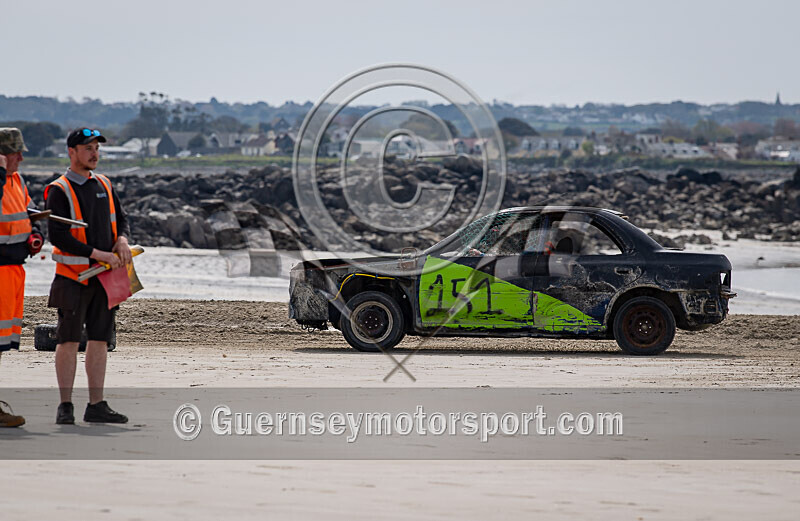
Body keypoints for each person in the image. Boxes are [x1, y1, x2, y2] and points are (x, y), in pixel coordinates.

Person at [45, 128, 132, 425]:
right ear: (72, 152)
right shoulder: (59, 189)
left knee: (99, 339)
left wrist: (121, 241)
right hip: (73, 277)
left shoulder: (105, 184)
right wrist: (99, 254)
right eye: (87, 148)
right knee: (68, 340)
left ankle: (96, 404)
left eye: (96, 148)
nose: (94, 153)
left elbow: (120, 219)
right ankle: (65, 406)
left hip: (105, 277)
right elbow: (58, 235)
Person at [0, 128, 43, 428]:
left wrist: (34, 235)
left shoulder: (17, 180)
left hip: (14, 271)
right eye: (15, 152)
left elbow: (23, 215)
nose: (21, 157)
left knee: (2, 343)